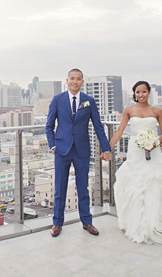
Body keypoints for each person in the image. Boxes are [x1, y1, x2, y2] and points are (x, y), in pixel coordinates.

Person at [104, 80, 162, 244]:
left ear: (149, 93)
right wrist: (108, 148)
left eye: (143, 92)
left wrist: (153, 144)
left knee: (155, 183)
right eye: (138, 92)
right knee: (135, 185)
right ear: (134, 94)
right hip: (135, 151)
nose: (141, 95)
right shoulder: (129, 110)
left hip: (154, 151)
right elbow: (119, 131)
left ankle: (155, 222)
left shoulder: (157, 111)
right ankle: (137, 223)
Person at [46, 68, 112, 237]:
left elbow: (98, 126)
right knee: (60, 188)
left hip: (81, 149)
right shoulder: (57, 99)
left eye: (79, 79)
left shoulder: (89, 101)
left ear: (83, 82)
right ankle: (57, 223)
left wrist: (106, 148)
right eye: (72, 79)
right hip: (62, 149)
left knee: (83, 187)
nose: (75, 82)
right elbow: (49, 126)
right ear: (67, 80)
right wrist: (52, 145)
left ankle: (87, 222)